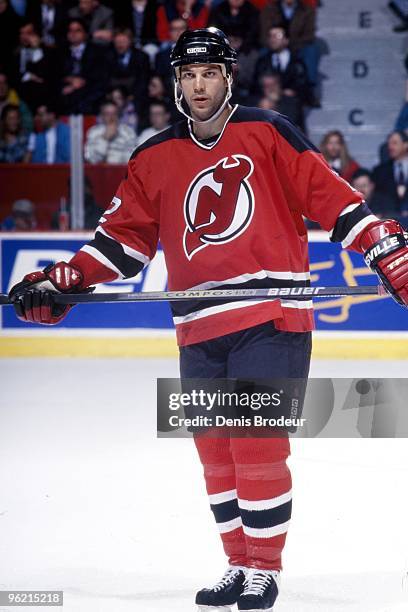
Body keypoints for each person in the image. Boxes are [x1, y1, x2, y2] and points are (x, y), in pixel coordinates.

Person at [8, 27, 408, 612]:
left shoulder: (266, 131)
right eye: (189, 76)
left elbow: (333, 200)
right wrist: (65, 280)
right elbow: (123, 242)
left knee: (257, 444)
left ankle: (263, 570)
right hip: (197, 324)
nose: (199, 85)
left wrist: (382, 244)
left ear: (228, 78)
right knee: (215, 452)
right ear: (177, 83)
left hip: (271, 314)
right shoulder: (153, 155)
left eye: (210, 74)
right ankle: (237, 561)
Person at [372, 130, 408, 217]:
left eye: (394, 143)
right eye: (389, 144)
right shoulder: (379, 171)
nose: (390, 147)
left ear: (406, 145)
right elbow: (376, 198)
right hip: (389, 222)